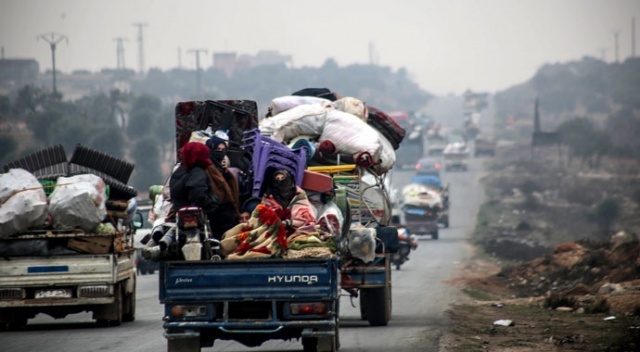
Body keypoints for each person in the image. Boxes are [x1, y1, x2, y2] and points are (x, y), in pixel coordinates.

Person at [204, 135, 241, 239]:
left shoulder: (222, 168)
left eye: (223, 150)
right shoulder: (206, 168)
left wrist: (225, 173)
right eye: (217, 149)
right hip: (216, 213)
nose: (220, 152)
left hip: (227, 213)